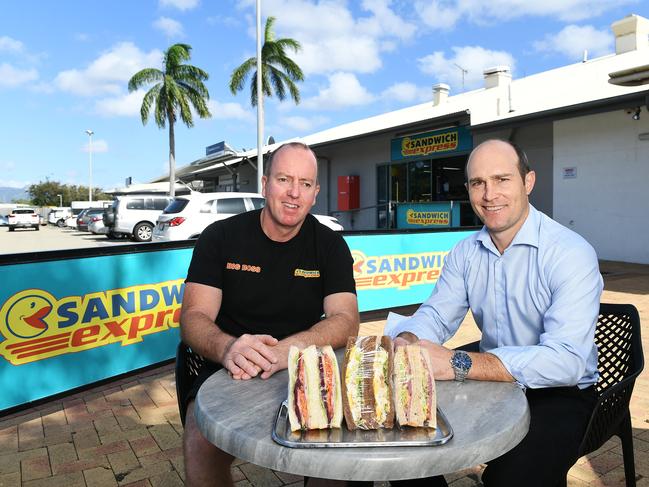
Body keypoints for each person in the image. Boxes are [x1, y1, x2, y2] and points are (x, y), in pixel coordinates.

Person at [386, 139, 603, 487]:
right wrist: (411, 336)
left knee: (512, 478)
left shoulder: (569, 252)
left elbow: (566, 362)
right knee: (399, 446)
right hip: (491, 385)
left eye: (502, 179)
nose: (490, 194)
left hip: (561, 393)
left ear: (528, 182)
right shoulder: (465, 252)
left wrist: (459, 363)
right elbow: (438, 314)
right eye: (478, 183)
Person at [180, 141, 359, 487]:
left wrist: (287, 350)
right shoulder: (220, 237)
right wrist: (228, 348)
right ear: (264, 185)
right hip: (228, 367)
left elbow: (346, 319)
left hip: (301, 364)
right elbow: (193, 317)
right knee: (199, 442)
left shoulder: (330, 245)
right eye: (283, 180)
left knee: (337, 458)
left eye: (305, 184)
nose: (294, 193)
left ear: (315, 193)